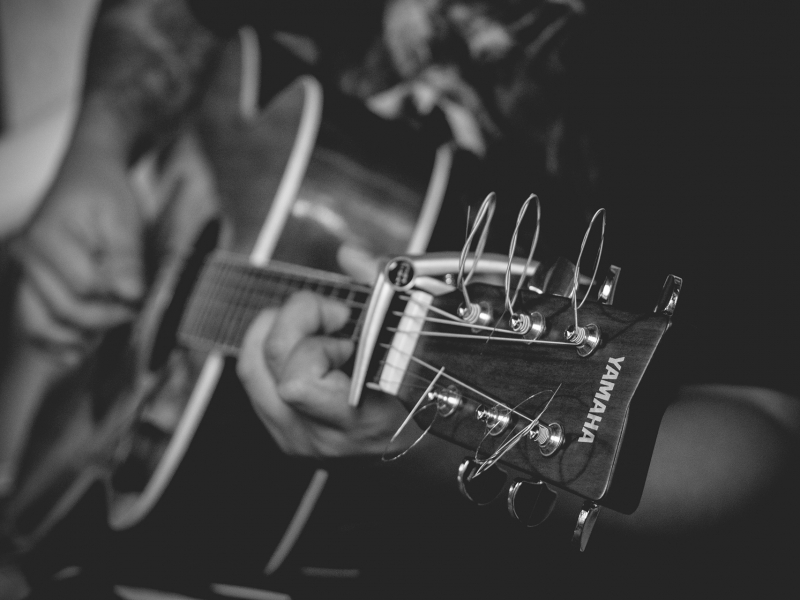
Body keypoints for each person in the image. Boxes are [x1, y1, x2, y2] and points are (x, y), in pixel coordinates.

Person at [1, 1, 798, 598]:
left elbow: (770, 447)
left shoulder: (735, 63)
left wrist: (420, 436)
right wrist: (93, 154)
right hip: (166, 254)